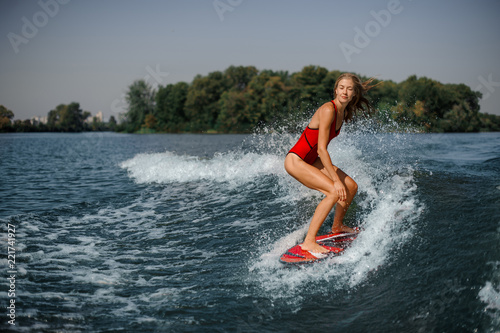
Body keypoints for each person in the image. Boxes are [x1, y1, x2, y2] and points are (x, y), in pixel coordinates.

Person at [284, 73, 375, 256]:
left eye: (349, 89)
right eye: (341, 87)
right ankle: (309, 242)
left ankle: (337, 226)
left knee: (351, 186)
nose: (345, 91)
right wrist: (335, 180)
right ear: (335, 89)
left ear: (354, 93)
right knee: (334, 191)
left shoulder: (343, 112)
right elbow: (321, 150)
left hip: (311, 160)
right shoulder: (328, 109)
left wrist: (340, 181)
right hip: (296, 160)